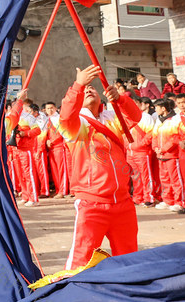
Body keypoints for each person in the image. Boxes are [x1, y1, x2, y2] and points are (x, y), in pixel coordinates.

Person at [56, 66, 142, 268]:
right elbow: (67, 116)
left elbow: (134, 117)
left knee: (129, 258)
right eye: (85, 90)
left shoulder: (113, 118)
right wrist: (78, 84)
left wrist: (120, 99)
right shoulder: (77, 124)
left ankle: (130, 295)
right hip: (92, 203)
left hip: (123, 202)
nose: (88, 90)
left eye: (91, 88)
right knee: (81, 260)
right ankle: (75, 297)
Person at [43, 102, 70, 198]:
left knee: (61, 169)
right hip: (51, 149)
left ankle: (63, 190)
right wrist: (47, 141)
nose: (50, 110)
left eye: (51, 108)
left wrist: (52, 141)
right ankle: (58, 189)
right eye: (47, 108)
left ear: (55, 108)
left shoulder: (59, 119)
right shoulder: (47, 120)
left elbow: (62, 133)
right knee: (54, 170)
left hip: (59, 147)